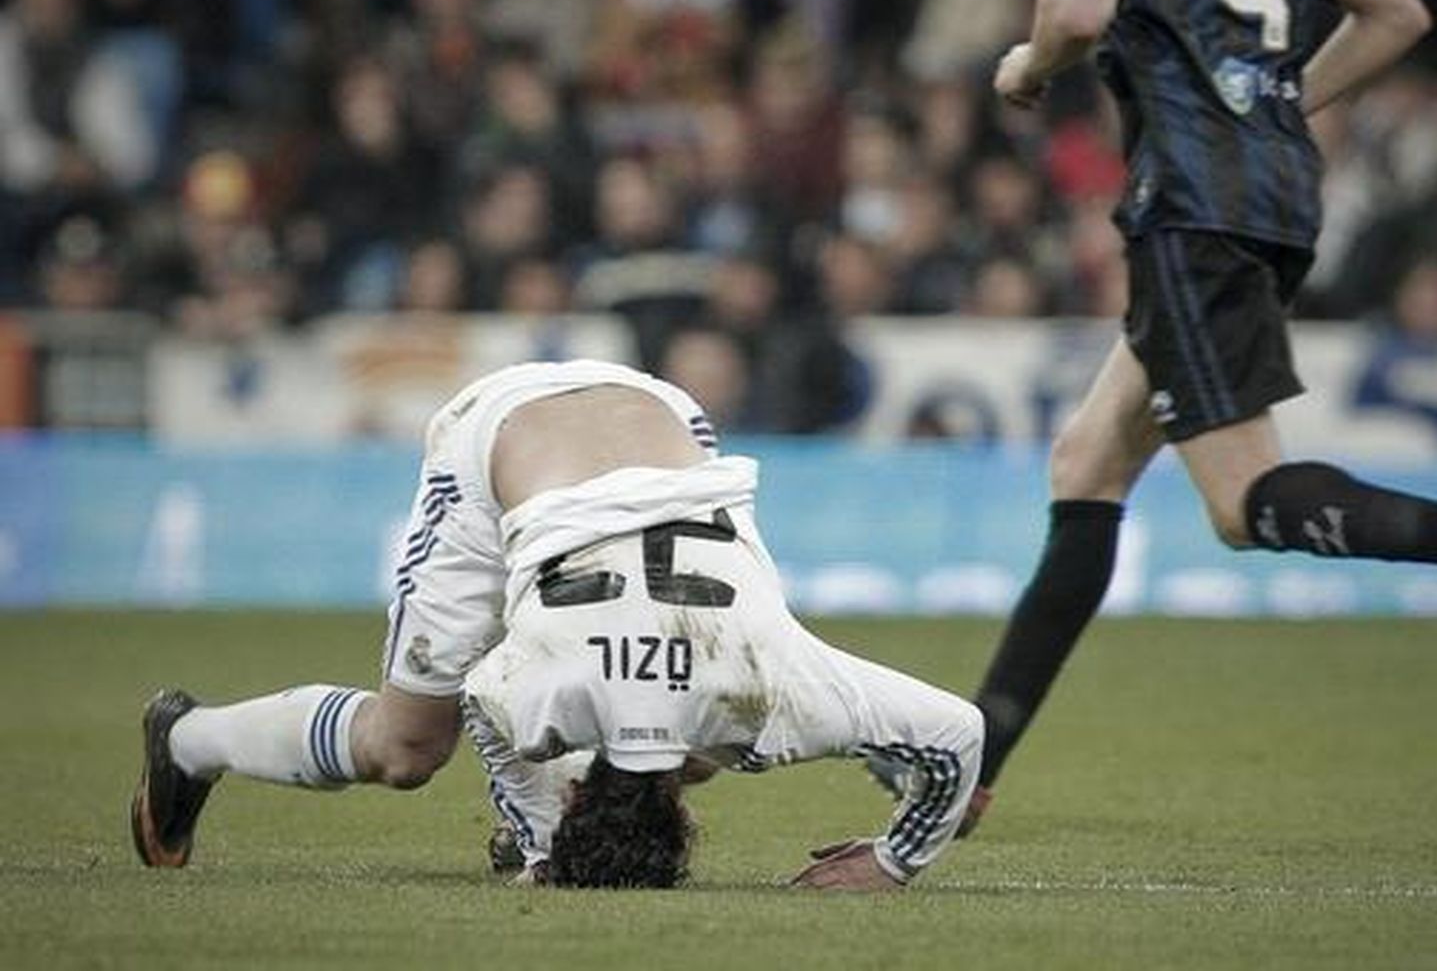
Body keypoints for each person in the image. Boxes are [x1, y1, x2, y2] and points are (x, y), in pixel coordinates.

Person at [957, 0, 1437, 833]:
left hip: (1192, 210)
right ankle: (975, 763)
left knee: (1242, 503)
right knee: (1088, 465)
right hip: (1274, 192)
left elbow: (1074, 12)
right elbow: (1398, 12)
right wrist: (1276, 108)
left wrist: (1026, 65)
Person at [131, 360, 981, 890]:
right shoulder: (528, 693)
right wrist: (542, 845)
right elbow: (480, 700)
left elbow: (955, 736)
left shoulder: (781, 699)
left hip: (657, 410)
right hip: (496, 437)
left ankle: (194, 741)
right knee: (405, 748)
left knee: (685, 730)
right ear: (580, 794)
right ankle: (188, 742)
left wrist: (898, 852)